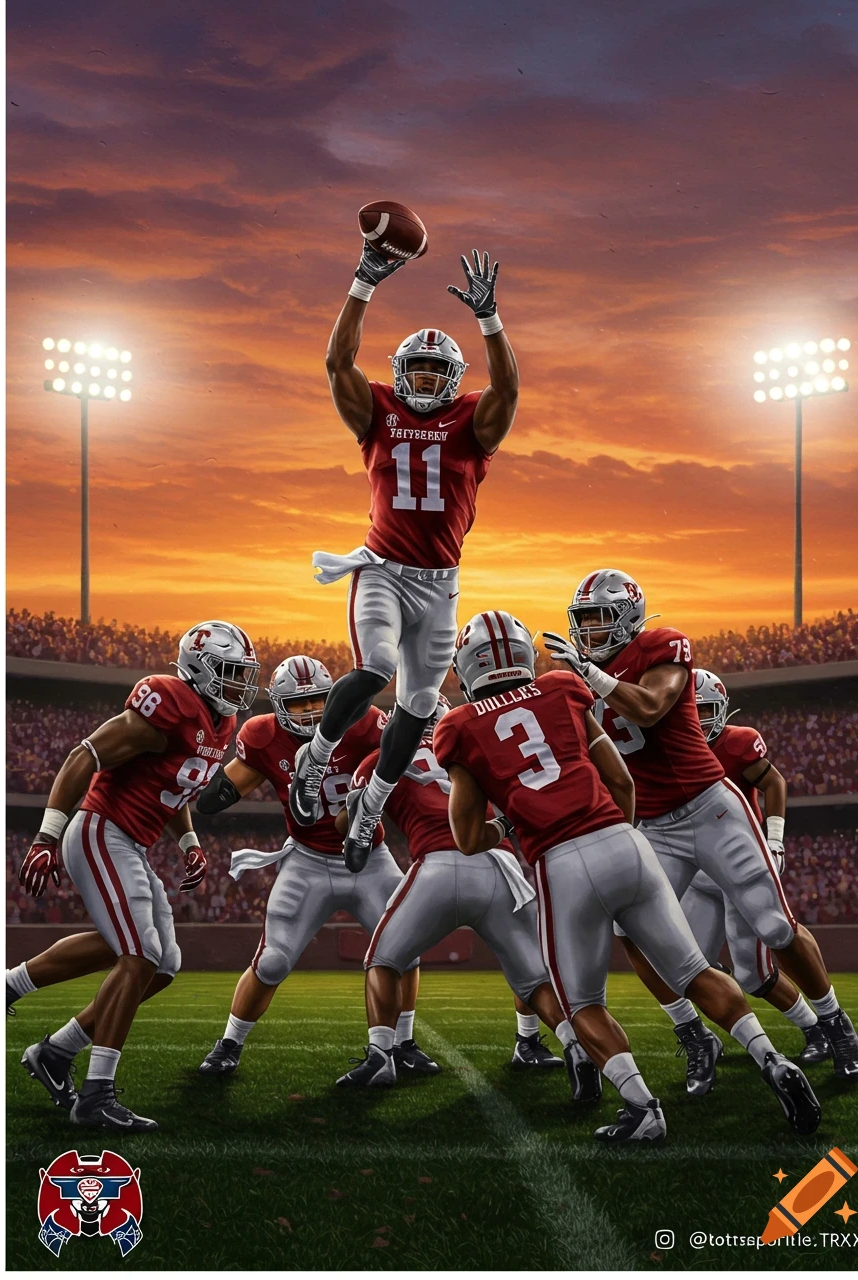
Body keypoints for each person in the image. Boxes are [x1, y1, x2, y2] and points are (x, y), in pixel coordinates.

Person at [434, 611, 821, 1143]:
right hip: (624, 840)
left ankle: (642, 1108)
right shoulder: (563, 688)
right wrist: (616, 831)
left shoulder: (458, 727)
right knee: (695, 971)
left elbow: (467, 837)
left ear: (466, 667)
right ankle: (772, 1058)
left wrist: (509, 823)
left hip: (559, 862)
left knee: (582, 1004)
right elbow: (620, 781)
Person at [542, 569, 858, 1092]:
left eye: (600, 618)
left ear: (628, 616)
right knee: (634, 932)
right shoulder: (575, 678)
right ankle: (693, 1033)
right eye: (584, 620)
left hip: (708, 808)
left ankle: (834, 1022)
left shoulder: (661, 646)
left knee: (775, 927)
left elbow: (650, 708)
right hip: (653, 825)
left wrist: (590, 675)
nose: (589, 630)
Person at [290, 240, 519, 874]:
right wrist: (362, 281)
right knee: (377, 668)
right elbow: (337, 362)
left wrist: (489, 318)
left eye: (433, 370)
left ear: (452, 378)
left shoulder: (472, 421)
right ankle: (314, 759)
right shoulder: (378, 411)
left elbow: (507, 388)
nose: (421, 379)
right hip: (383, 570)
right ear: (400, 371)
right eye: (413, 368)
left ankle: (370, 809)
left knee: (418, 707)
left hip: (441, 584)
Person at [11, 621, 260, 1131]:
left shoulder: (221, 723)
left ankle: (54, 1049)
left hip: (133, 843)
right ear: (198, 669)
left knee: (163, 963)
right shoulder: (168, 702)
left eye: (242, 673)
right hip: (101, 830)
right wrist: (45, 836)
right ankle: (96, 1095)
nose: (239, 683)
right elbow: (85, 755)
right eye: (231, 672)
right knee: (139, 953)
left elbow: (175, 787)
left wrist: (189, 843)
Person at [334, 695, 599, 1099]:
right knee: (532, 978)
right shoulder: (478, 748)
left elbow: (348, 824)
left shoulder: (378, 760)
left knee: (382, 960)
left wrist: (359, 809)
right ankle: (573, 1042)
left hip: (440, 864)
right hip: (500, 865)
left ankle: (381, 1055)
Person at [195, 655, 435, 1077]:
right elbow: (223, 791)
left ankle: (404, 1043)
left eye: (318, 700)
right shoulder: (262, 736)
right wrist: (207, 785)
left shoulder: (365, 723)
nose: (310, 711)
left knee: (407, 950)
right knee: (272, 961)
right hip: (307, 861)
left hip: (368, 856)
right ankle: (229, 1044)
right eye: (298, 703)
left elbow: (397, 762)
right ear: (278, 705)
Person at [669, 670, 830, 1066]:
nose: (698, 720)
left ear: (723, 709)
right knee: (686, 967)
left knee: (753, 975)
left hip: (737, 864)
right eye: (690, 710)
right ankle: (708, 1038)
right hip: (697, 871)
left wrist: (774, 839)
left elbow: (774, 782)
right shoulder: (666, 747)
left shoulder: (736, 743)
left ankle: (818, 1028)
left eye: (704, 710)